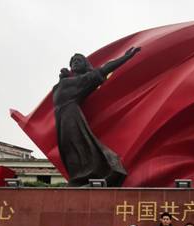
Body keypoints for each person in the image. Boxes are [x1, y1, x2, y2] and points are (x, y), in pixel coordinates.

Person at [53, 48, 140, 186]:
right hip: (61, 118)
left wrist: (126, 57)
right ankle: (80, 179)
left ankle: (92, 176)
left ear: (85, 65)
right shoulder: (67, 80)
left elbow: (104, 69)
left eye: (79, 60)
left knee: (78, 147)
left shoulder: (84, 79)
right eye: (73, 61)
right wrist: (62, 79)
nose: (75, 62)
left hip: (71, 116)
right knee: (69, 151)